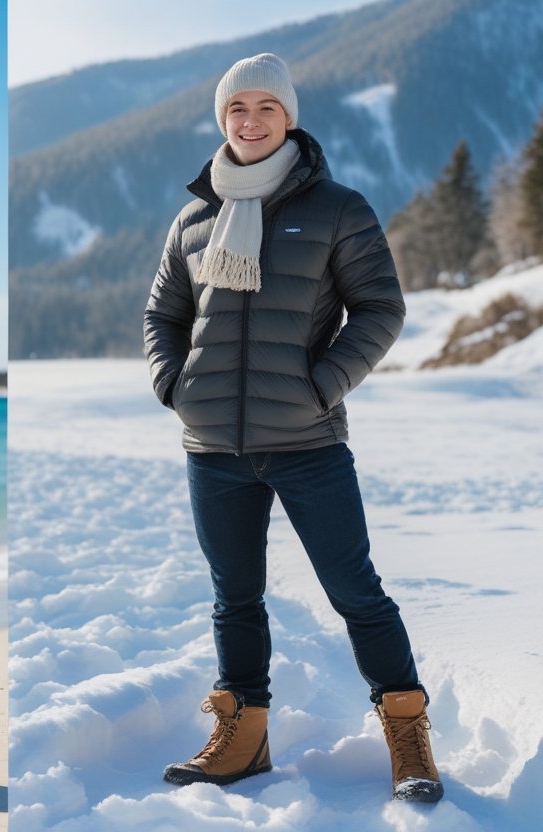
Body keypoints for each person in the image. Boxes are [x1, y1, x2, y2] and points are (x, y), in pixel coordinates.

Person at [143, 54, 443, 803]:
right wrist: (174, 385)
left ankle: (408, 739)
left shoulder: (339, 207)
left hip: (308, 442)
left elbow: (381, 308)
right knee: (233, 598)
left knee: (356, 591)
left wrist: (323, 383)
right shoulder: (194, 217)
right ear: (222, 119)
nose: (250, 120)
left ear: (290, 117)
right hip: (212, 448)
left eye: (266, 107)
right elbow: (164, 315)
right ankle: (242, 737)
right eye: (236, 108)